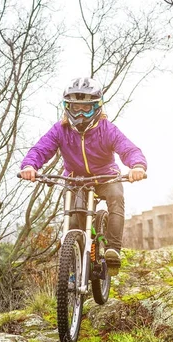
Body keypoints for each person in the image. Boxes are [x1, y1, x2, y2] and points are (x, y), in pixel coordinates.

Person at [19, 77, 147, 276]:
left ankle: (113, 249)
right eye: (75, 107)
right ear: (66, 107)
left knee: (116, 197)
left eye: (85, 108)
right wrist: (29, 165)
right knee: (72, 223)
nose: (80, 113)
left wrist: (137, 165)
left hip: (106, 178)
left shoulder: (107, 129)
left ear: (97, 108)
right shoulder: (60, 130)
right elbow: (41, 149)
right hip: (75, 180)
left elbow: (128, 149)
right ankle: (73, 267)